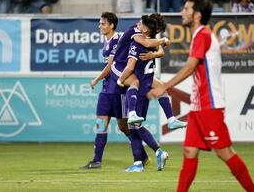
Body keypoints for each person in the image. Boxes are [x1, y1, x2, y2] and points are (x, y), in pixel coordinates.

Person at [148, 0, 254, 191]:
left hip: (210, 105)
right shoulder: (200, 34)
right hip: (199, 107)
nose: (182, 11)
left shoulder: (203, 34)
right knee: (189, 151)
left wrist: (164, 86)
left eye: (186, 8)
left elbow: (191, 66)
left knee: (224, 152)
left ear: (197, 15)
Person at [80, 12, 150, 169]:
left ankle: (143, 155)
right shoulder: (106, 41)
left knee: (123, 127)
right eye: (100, 23)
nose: (100, 26)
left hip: (118, 88)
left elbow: (111, 65)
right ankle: (97, 160)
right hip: (107, 89)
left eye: (103, 23)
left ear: (111, 25)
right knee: (101, 122)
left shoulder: (118, 39)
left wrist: (96, 79)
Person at [110, 14, 170, 172]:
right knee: (129, 125)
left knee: (132, 124)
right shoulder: (140, 35)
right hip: (131, 78)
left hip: (132, 79)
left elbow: (156, 50)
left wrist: (155, 53)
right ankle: (154, 151)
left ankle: (141, 160)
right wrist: (162, 42)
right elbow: (153, 45)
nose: (138, 24)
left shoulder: (143, 39)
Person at [117, 13, 187, 130]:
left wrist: (152, 54)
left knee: (161, 89)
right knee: (132, 124)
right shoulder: (137, 32)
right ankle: (132, 114)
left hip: (139, 73)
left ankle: (171, 120)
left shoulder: (148, 37)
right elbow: (147, 44)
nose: (158, 33)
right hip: (123, 68)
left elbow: (160, 52)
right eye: (158, 30)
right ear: (155, 28)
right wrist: (163, 39)